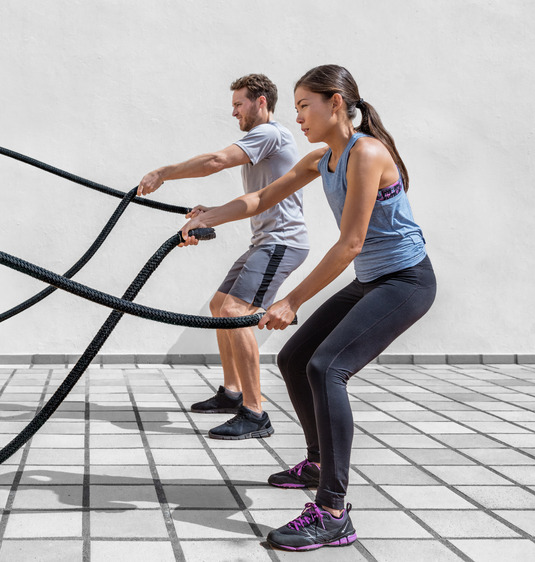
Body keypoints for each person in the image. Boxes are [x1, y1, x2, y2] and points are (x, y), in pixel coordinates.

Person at [179, 64, 436, 551]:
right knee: (293, 359)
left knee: (326, 368)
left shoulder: (366, 154)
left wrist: (291, 300)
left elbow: (351, 243)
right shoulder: (325, 158)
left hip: (405, 282)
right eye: (295, 107)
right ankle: (318, 462)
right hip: (372, 281)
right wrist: (209, 215)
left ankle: (333, 511)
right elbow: (260, 197)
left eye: (304, 105)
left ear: (335, 102)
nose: (298, 116)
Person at [137, 74, 309, 440]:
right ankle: (233, 393)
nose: (233, 112)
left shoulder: (270, 133)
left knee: (235, 312)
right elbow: (258, 200)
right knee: (220, 305)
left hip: (282, 242)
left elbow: (216, 161)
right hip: (266, 239)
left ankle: (254, 411)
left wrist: (163, 173)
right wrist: (210, 212)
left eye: (238, 104)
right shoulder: (262, 143)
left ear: (261, 102)